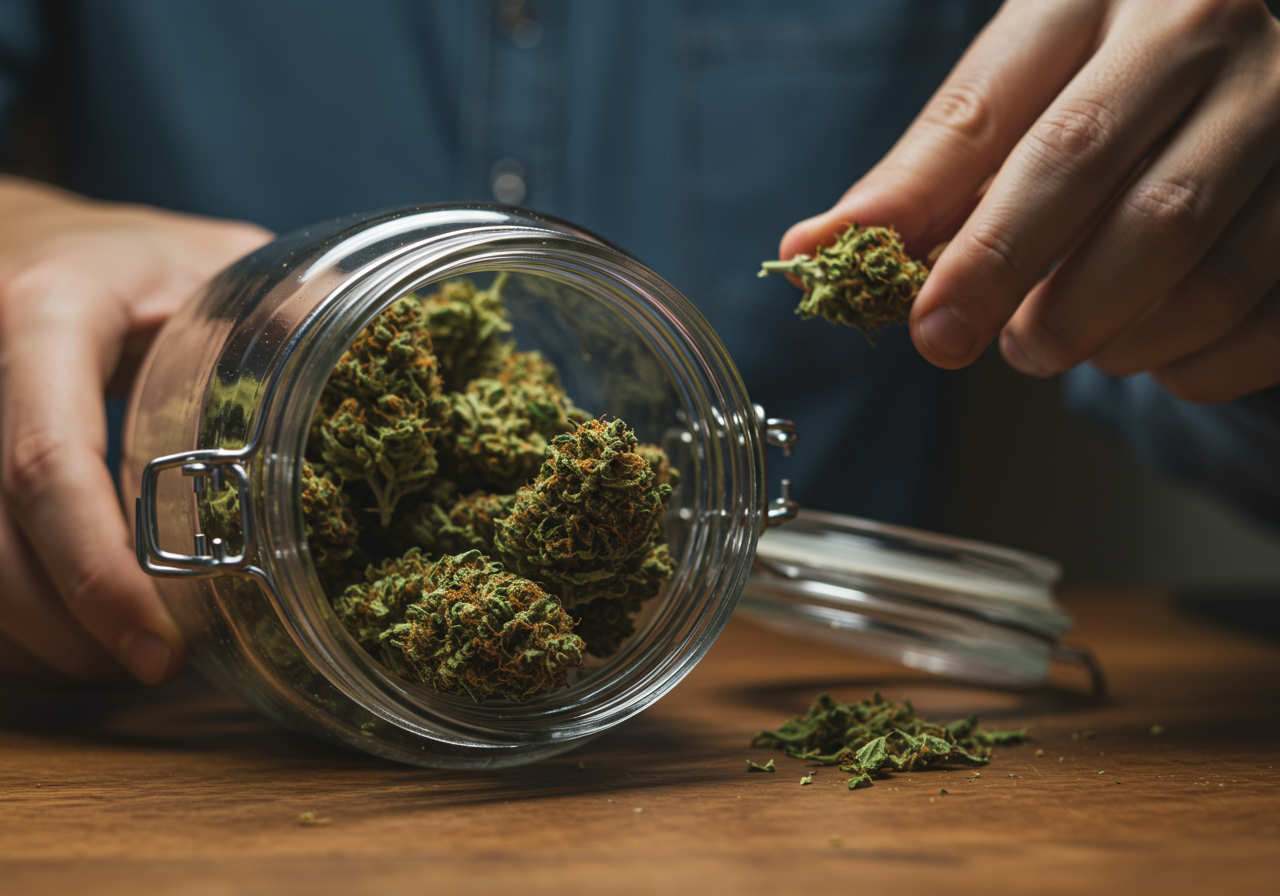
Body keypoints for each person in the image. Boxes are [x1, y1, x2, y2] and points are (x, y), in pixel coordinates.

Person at [0, 0, 1277, 686]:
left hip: (741, 736)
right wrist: (34, 235)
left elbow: (1170, 377)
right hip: (187, 664)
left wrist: (1229, 252)